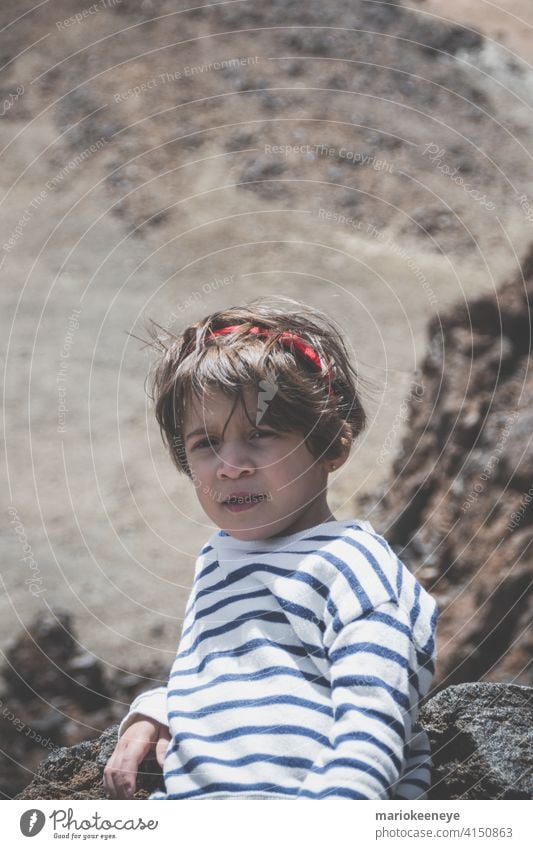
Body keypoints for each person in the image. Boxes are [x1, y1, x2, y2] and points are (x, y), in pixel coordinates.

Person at [103, 296, 438, 800]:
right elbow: (233, 674)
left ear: (331, 447)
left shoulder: (351, 565)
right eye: (204, 443)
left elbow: (373, 719)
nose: (230, 464)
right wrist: (160, 709)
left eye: (259, 434)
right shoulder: (217, 562)